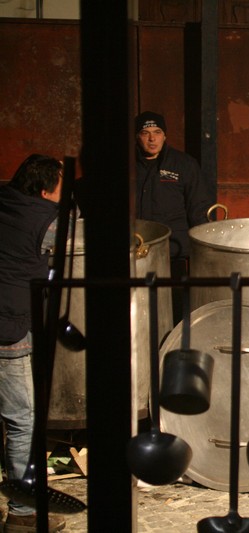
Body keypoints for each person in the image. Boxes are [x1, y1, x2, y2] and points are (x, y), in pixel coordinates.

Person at [0, 155, 67, 532]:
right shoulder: (47, 220)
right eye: (59, 188)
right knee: (23, 422)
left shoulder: (5, 201)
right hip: (8, 329)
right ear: (44, 192)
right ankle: (22, 515)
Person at [134, 111, 215, 322]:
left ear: (165, 136)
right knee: (139, 312)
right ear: (137, 136)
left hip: (174, 254)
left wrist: (206, 251)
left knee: (175, 313)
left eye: (157, 132)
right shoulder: (127, 167)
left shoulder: (184, 165)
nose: (152, 139)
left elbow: (200, 209)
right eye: (145, 133)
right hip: (135, 255)